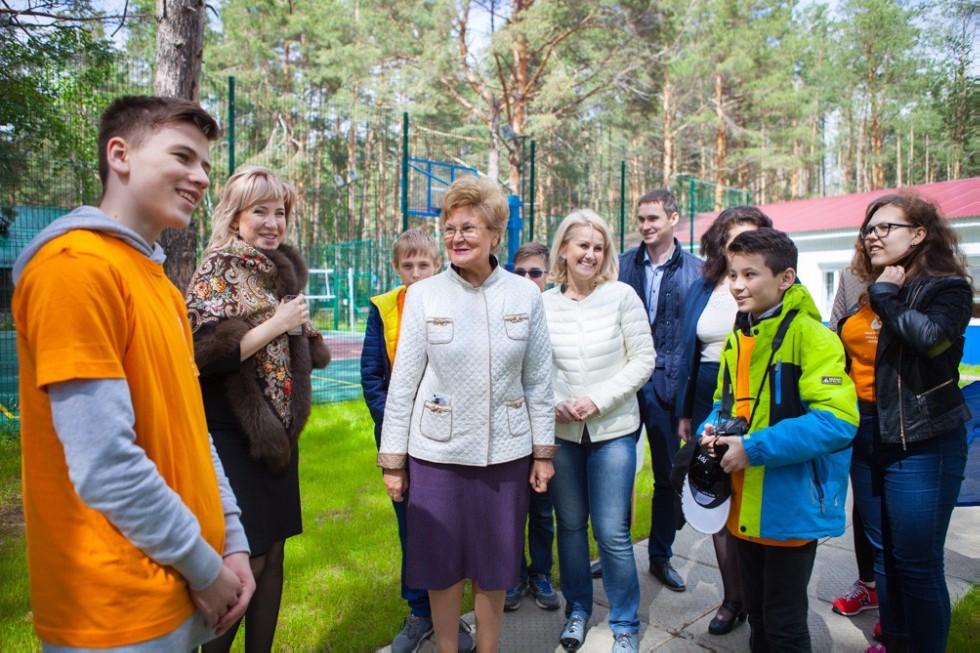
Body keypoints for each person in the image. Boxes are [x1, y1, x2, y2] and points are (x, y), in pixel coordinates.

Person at [12, 95, 255, 650]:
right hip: (113, 614)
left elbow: (193, 431)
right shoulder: (74, 270)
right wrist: (204, 566)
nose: (200, 178)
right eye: (183, 157)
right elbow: (104, 464)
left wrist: (232, 540)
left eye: (205, 167)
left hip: (181, 596)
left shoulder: (163, 288)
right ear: (119, 155)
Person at [378, 175, 556, 653]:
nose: (456, 238)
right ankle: (447, 648)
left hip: (507, 453)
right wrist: (392, 461)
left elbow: (539, 380)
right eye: (450, 228)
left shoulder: (525, 295)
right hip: (436, 453)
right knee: (440, 564)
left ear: (495, 235)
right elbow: (403, 385)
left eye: (469, 228)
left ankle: (490, 648)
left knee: (496, 564)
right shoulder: (424, 295)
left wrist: (543, 454)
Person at [186, 166, 331, 652]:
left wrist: (299, 331)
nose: (272, 222)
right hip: (232, 429)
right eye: (260, 211)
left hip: (277, 432)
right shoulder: (218, 267)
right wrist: (278, 323)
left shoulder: (275, 270)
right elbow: (204, 354)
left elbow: (294, 350)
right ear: (235, 216)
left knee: (275, 553)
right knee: (245, 559)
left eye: (280, 212)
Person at [699, 228, 858, 652]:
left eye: (750, 275)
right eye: (732, 275)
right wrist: (708, 432)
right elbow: (723, 404)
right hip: (743, 504)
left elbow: (838, 421)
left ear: (786, 278)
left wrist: (753, 448)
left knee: (785, 625)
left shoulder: (813, 337)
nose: (737, 285)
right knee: (760, 620)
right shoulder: (741, 335)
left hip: (787, 509)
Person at [837, 193, 971, 653]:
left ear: (919, 234)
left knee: (916, 563)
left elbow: (930, 341)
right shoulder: (864, 288)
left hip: (922, 441)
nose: (872, 235)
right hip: (867, 435)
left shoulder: (946, 288)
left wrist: (887, 297)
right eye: (868, 229)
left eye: (884, 227)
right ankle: (893, 641)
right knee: (883, 556)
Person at [544, 209, 656, 653]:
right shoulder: (544, 303)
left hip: (613, 431)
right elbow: (535, 368)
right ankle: (578, 610)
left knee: (611, 531)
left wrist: (598, 399)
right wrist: (556, 401)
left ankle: (625, 623)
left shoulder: (622, 296)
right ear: (564, 250)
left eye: (598, 246)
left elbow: (643, 360)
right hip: (562, 434)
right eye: (582, 245)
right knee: (570, 526)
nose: (590, 254)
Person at [360, 229, 476, 652]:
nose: (415, 273)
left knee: (448, 525)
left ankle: (449, 615)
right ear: (397, 268)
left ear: (438, 263)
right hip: (399, 436)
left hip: (445, 435)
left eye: (423, 265)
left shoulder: (458, 299)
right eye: (407, 266)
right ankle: (419, 612)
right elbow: (373, 376)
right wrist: (397, 427)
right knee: (411, 526)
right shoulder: (385, 309)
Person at [675, 206, 772, 635]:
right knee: (715, 498)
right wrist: (684, 412)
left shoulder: (777, 284)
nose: (741, 249)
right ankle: (734, 599)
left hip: (762, 399)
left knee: (757, 502)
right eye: (733, 240)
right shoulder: (705, 286)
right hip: (710, 398)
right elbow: (686, 351)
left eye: (751, 237)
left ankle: (767, 601)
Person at [617, 189, 702, 591]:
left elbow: (696, 339)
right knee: (615, 472)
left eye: (653, 218)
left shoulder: (698, 272)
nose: (646, 226)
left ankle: (660, 557)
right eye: (641, 219)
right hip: (623, 385)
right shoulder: (619, 266)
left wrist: (686, 402)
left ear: (673, 218)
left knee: (668, 477)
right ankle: (613, 555)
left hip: (669, 388)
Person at [504, 241, 561, 613]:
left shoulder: (557, 312)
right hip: (509, 430)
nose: (527, 279)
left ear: (549, 275)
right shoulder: (504, 308)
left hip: (547, 428)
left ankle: (541, 573)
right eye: (520, 272)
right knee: (509, 509)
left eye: (535, 273)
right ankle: (510, 577)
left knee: (542, 509)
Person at [827, 268, 880, 627]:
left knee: (898, 520)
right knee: (864, 510)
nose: (875, 237)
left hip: (903, 416)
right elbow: (835, 332)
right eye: (870, 231)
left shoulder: (930, 281)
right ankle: (870, 587)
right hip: (859, 413)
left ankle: (898, 611)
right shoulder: (851, 276)